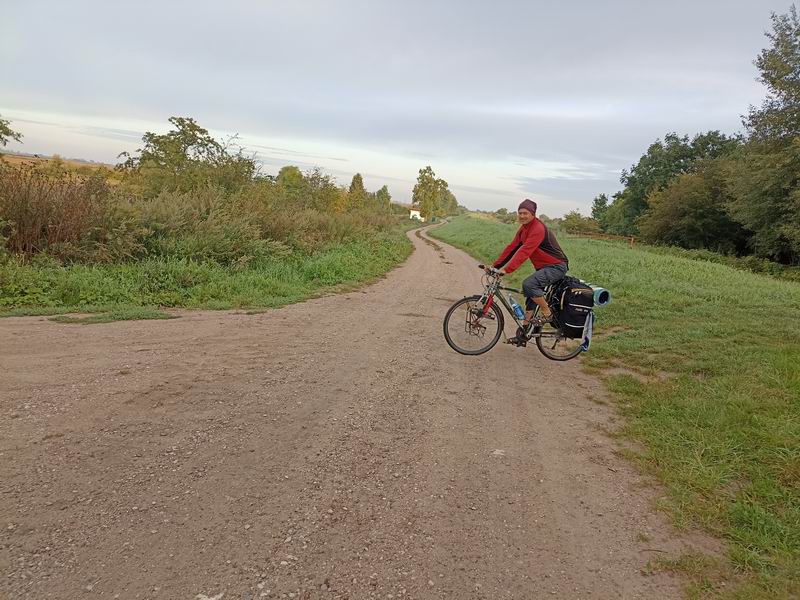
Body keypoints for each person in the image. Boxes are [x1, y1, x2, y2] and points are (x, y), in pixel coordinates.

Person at [489, 199, 569, 339]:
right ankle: (525, 330)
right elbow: (512, 248)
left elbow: (525, 251)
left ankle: (547, 313)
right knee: (530, 291)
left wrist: (507, 270)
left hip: (556, 266)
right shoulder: (524, 229)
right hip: (544, 268)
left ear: (533, 214)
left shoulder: (537, 228)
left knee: (529, 284)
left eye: (525, 213)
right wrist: (495, 266)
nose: (522, 216)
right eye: (520, 213)